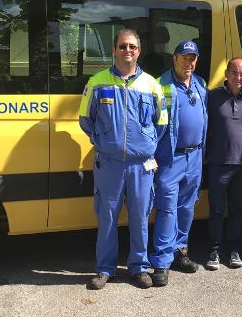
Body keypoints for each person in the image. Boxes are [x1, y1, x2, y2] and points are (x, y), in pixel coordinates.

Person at [79, 28, 168, 290]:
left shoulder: (152, 85)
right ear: (114, 50)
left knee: (140, 217)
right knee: (107, 217)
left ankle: (139, 267)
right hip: (109, 164)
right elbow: (85, 120)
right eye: (122, 46)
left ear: (139, 51)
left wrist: (145, 145)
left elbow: (161, 123)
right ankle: (105, 269)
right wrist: (105, 142)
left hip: (141, 165)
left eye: (132, 46)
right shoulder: (97, 82)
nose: (127, 50)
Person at [150, 40, 208, 286]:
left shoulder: (200, 84)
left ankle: (180, 252)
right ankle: (161, 261)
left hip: (195, 157)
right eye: (184, 58)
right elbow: (150, 123)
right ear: (174, 58)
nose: (189, 62)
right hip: (170, 157)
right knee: (167, 209)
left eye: (192, 58)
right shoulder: (160, 85)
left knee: (186, 208)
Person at [205, 58, 242, 270]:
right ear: (226, 73)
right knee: (216, 210)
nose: (238, 77)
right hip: (218, 163)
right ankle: (214, 250)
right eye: (234, 73)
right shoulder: (212, 96)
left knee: (236, 210)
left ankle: (233, 249)